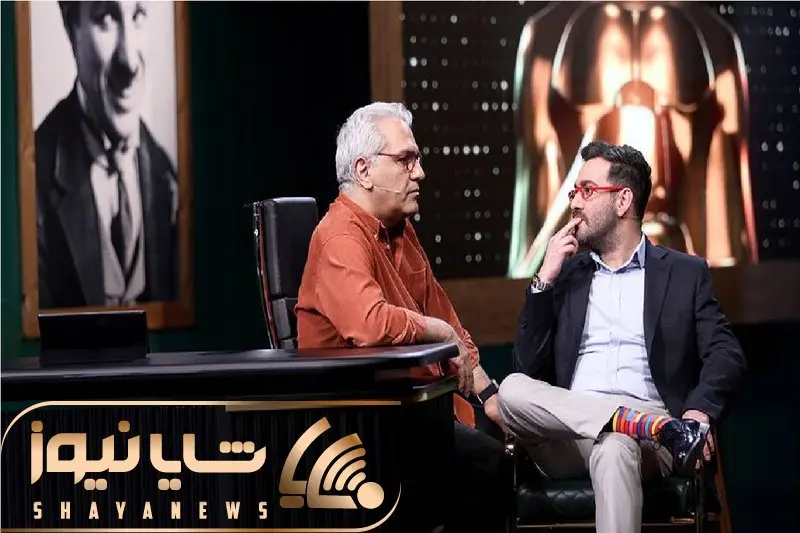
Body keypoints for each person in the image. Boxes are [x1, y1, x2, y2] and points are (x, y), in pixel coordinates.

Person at [497, 141, 747, 533]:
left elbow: (725, 353)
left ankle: (638, 424)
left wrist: (699, 412)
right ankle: (630, 422)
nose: (574, 202)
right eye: (574, 192)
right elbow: (528, 368)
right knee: (511, 388)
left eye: (587, 190)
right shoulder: (565, 274)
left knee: (615, 446)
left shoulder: (684, 273)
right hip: (570, 431)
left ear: (623, 200)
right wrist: (544, 279)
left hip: (651, 435)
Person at [295, 102, 510, 532]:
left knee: (504, 442)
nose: (420, 173)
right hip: (362, 427)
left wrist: (489, 395)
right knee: (486, 465)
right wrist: (439, 332)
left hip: (418, 412)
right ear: (364, 170)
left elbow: (443, 315)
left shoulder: (401, 228)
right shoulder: (338, 237)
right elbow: (371, 323)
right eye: (406, 160)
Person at [35, 1, 178, 309]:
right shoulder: (32, 182)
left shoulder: (168, 177)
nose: (130, 62)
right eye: (106, 18)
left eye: (138, 15)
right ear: (70, 27)